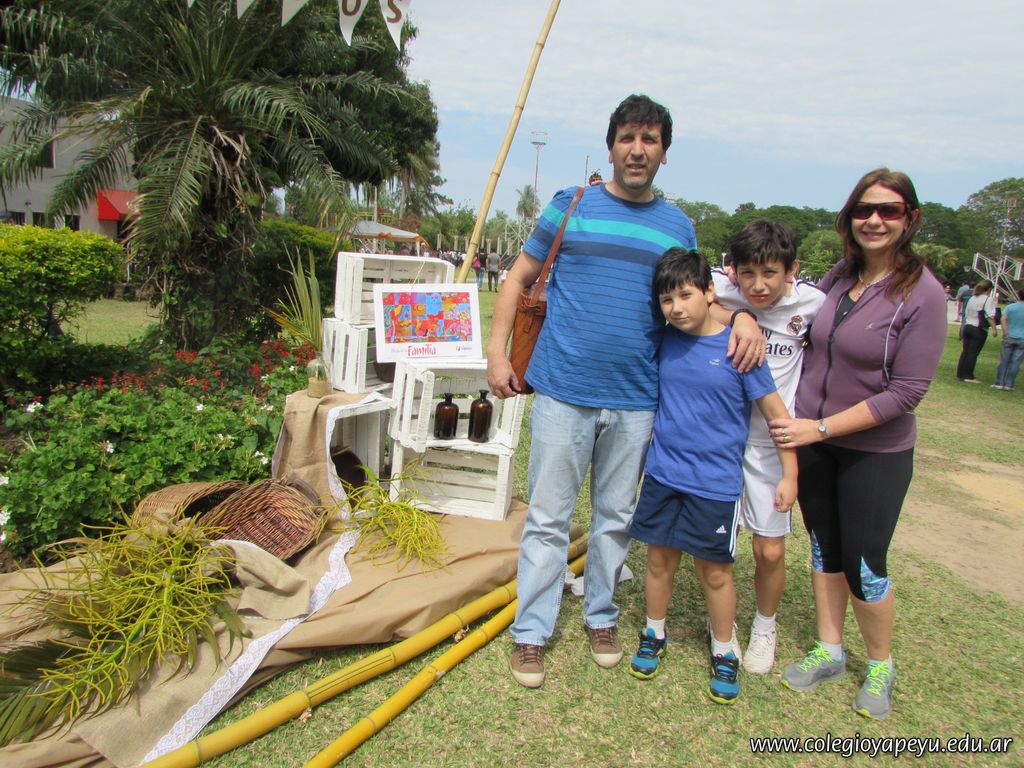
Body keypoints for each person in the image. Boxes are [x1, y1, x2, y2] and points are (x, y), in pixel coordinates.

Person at [486, 93, 765, 689]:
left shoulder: (678, 225)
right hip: (563, 391)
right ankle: (531, 631)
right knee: (548, 518)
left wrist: (743, 317)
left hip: (638, 400)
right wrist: (496, 352)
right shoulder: (570, 205)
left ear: (664, 153)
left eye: (650, 140)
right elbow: (517, 277)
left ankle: (601, 616)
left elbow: (700, 299)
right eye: (627, 138)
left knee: (615, 517)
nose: (637, 150)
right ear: (611, 146)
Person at [768, 168, 947, 720]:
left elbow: (907, 392)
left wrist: (820, 428)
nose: (874, 220)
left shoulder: (924, 293)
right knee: (824, 548)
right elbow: (788, 316)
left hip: (873, 452)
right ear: (850, 217)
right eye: (864, 209)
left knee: (865, 562)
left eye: (889, 210)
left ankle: (880, 665)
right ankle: (830, 649)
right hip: (814, 442)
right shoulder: (839, 277)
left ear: (909, 219)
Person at [627, 249, 797, 705]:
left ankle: (724, 648)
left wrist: (790, 474)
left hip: (716, 485)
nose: (676, 307)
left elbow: (777, 416)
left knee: (715, 572)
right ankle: (654, 632)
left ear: (709, 293)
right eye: (667, 300)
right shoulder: (664, 340)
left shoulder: (741, 350)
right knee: (659, 561)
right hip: (664, 476)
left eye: (685, 295)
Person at [709, 220, 825, 674]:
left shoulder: (813, 303)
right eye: (748, 274)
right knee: (719, 540)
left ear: (791, 270)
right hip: (719, 438)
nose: (758, 285)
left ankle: (765, 624)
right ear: (732, 270)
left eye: (770, 273)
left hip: (772, 446)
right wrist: (738, 318)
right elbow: (685, 297)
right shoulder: (721, 289)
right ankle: (720, 620)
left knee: (771, 550)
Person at [956, 280, 997, 383]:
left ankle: (960, 373)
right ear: (989, 289)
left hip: (968, 326)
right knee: (973, 353)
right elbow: (989, 315)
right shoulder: (988, 299)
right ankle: (968, 375)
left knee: (965, 351)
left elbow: (966, 312)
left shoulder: (972, 298)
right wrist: (994, 329)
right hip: (978, 328)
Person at [993, 288, 1024, 390]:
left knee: (1004, 360)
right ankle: (1009, 384)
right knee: (1016, 362)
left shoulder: (1010, 307)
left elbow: (1003, 319)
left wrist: (1005, 332)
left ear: (1018, 296)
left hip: (1009, 336)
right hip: (1022, 339)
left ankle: (999, 382)